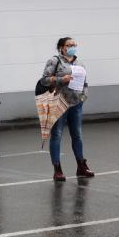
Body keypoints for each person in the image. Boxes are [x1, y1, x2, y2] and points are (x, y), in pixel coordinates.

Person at [42, 37, 94, 181]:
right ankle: (57, 168)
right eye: (69, 45)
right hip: (58, 102)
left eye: (74, 45)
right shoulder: (54, 61)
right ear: (61, 47)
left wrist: (84, 97)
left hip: (76, 104)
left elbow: (85, 83)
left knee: (77, 135)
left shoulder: (80, 63)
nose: (72, 47)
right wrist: (60, 79)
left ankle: (81, 166)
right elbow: (44, 80)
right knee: (57, 135)